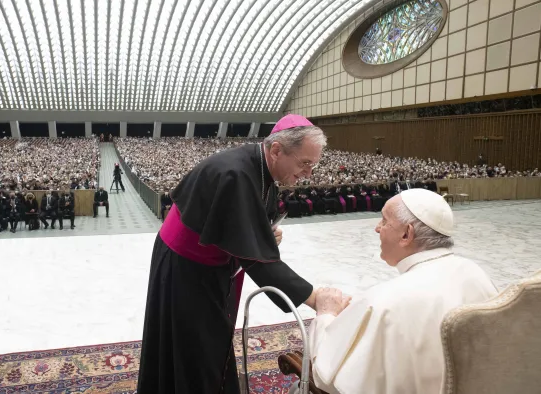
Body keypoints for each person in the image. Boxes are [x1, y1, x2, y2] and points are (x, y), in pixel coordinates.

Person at [137, 114, 327, 394]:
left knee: (211, 342)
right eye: (305, 163)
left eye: (313, 165)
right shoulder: (236, 174)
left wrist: (263, 233)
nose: (309, 173)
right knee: (196, 347)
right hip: (186, 268)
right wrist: (315, 297)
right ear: (277, 150)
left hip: (207, 265)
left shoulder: (262, 168)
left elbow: (247, 223)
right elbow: (257, 261)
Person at [307, 189, 497, 394]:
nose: (377, 228)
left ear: (406, 234)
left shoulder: (383, 302)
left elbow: (326, 378)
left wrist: (326, 314)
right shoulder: (475, 273)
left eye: (384, 221)